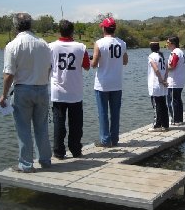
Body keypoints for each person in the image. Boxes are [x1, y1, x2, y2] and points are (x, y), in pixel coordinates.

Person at [0, 13, 52, 172]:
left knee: (23, 129)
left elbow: (9, 74)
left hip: (23, 90)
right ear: (31, 25)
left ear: (16, 26)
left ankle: (26, 164)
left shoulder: (12, 45)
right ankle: (45, 160)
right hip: (42, 89)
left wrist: (4, 95)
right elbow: (48, 68)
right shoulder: (43, 44)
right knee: (42, 127)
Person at [49, 20, 90, 159]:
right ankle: (76, 150)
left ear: (59, 31)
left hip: (58, 92)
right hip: (75, 92)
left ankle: (59, 151)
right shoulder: (81, 47)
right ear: (72, 31)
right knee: (76, 125)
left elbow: (47, 67)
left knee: (59, 123)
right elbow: (87, 66)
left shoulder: (50, 47)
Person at [91, 17, 128, 147]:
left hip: (102, 84)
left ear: (104, 28)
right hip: (117, 83)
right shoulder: (122, 43)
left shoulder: (99, 43)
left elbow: (94, 64)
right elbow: (125, 61)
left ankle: (105, 140)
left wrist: (91, 61)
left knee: (103, 113)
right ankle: (115, 139)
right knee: (115, 113)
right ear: (114, 29)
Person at [148, 41, 169, 131]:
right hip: (163, 83)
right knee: (163, 104)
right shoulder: (162, 56)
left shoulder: (151, 56)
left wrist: (161, 80)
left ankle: (157, 125)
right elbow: (167, 68)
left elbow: (156, 69)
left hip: (156, 83)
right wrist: (165, 79)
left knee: (157, 105)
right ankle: (165, 124)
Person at [166, 36, 185, 126]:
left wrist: (163, 68)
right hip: (179, 80)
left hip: (174, 81)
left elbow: (172, 66)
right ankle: (179, 119)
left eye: (168, 42)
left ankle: (175, 120)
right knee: (177, 100)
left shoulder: (176, 52)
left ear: (173, 43)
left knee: (172, 101)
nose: (166, 44)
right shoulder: (180, 52)